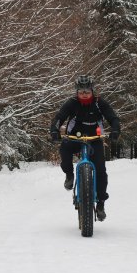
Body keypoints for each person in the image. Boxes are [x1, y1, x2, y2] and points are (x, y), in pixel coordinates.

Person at [50, 75, 120, 221]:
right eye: (81, 92)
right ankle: (69, 174)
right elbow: (59, 118)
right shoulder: (72, 103)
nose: (84, 95)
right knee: (64, 148)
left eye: (87, 92)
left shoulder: (100, 103)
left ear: (92, 91)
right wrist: (54, 130)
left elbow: (113, 118)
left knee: (101, 170)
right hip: (75, 137)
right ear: (77, 92)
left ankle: (100, 203)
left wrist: (115, 130)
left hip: (94, 139)